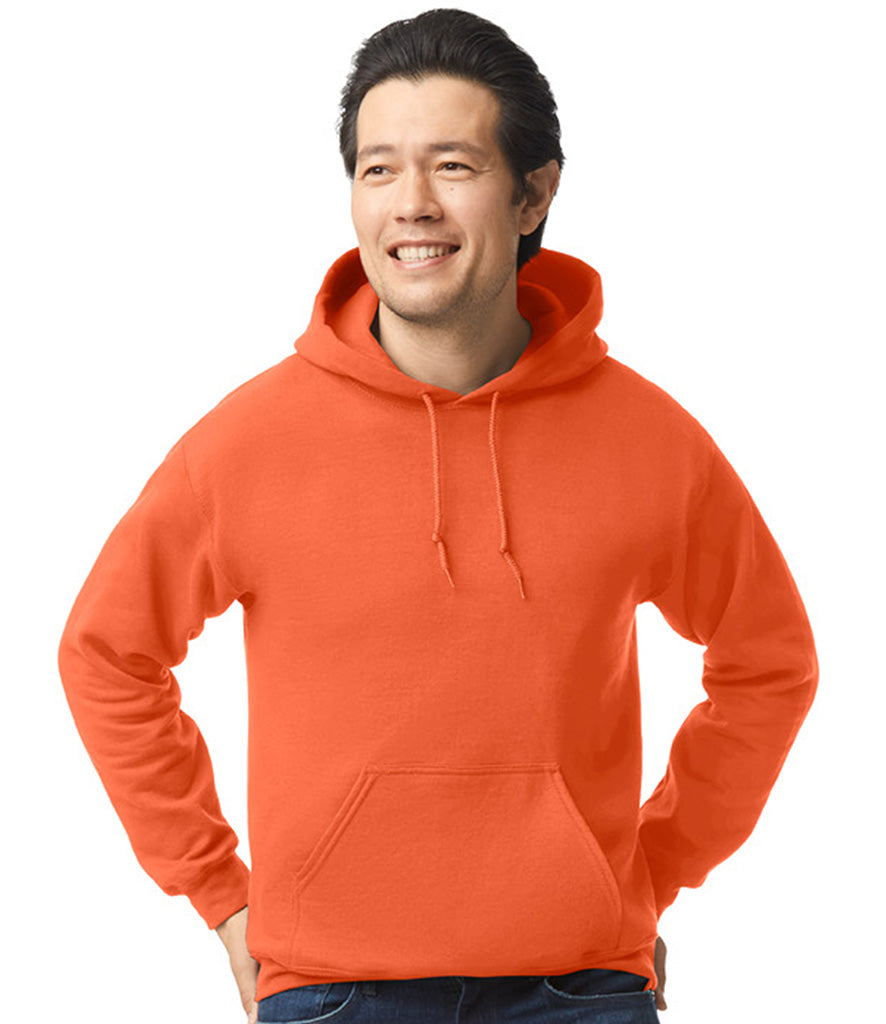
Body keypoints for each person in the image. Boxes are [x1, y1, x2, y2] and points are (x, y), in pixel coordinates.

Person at [57, 9, 819, 1024]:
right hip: (332, 988)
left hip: (580, 986)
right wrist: (221, 894)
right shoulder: (247, 443)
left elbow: (769, 663)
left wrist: (650, 869)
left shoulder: (650, 440)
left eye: (452, 166)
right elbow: (107, 656)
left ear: (533, 192)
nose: (411, 204)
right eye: (378, 170)